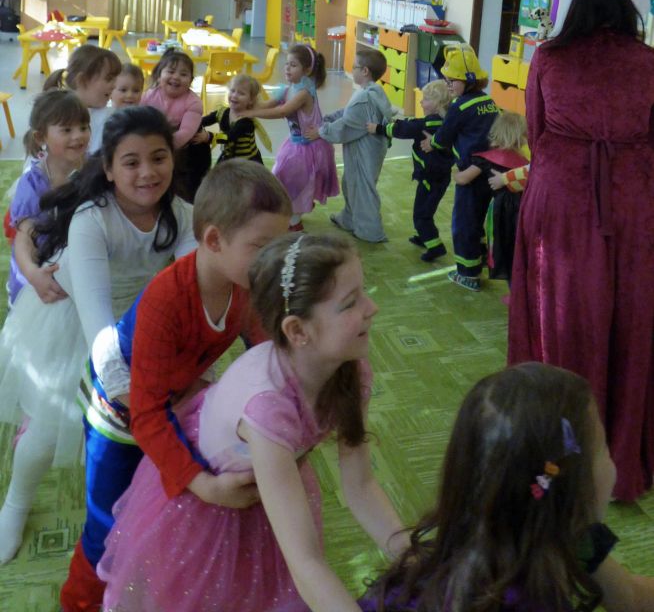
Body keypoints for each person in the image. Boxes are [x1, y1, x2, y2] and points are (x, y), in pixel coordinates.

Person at [98, 233, 407, 612]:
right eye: (350, 303)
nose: (372, 307)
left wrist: (415, 561)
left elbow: (360, 486)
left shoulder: (351, 370)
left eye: (363, 293)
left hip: (268, 482)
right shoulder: (267, 409)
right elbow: (306, 562)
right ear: (298, 331)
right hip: (204, 511)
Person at [60, 159, 291, 612]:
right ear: (214, 240)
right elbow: (146, 414)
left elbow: (267, 349)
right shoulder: (166, 299)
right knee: (105, 529)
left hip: (172, 402)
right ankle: (78, 604)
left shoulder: (245, 283)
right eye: (263, 247)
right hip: (117, 414)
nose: (275, 262)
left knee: (156, 520)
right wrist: (203, 485)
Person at [0, 106, 197, 565]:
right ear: (108, 169)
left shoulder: (182, 214)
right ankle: (14, 507)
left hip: (134, 322)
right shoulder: (92, 218)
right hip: (71, 320)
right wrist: (131, 392)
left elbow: (193, 283)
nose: (147, 172)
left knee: (136, 438)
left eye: (159, 157)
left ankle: (133, 513)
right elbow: (96, 319)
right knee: (49, 429)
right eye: (131, 162)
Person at [508, 0, 654, 503]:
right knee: (630, 314)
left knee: (562, 313)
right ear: (625, 1)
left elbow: (535, 130)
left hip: (561, 196)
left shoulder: (547, 57)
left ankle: (557, 457)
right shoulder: (649, 62)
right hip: (635, 196)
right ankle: (623, 454)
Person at [359, 362, 654, 612]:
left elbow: (632, 597)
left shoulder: (543, 532)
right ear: (571, 489)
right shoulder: (523, 599)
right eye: (603, 448)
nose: (612, 460)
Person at [420, 44, 499, 291]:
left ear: (469, 80)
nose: (449, 85)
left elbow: (444, 137)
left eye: (452, 81)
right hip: (490, 169)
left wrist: (431, 142)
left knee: (464, 222)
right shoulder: (488, 101)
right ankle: (481, 257)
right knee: (479, 218)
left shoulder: (459, 106)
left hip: (470, 173)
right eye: (447, 80)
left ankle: (468, 273)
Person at [240, 44, 339, 232]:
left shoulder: (304, 93)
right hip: (295, 144)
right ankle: (296, 210)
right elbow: (268, 104)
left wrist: (251, 113)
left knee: (296, 182)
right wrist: (247, 104)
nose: (287, 68)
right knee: (282, 177)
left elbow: (282, 111)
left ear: (307, 70)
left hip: (309, 148)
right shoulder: (289, 89)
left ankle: (295, 223)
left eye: (293, 65)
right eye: (286, 64)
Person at [8, 89, 90, 306]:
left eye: (84, 127)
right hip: (43, 269)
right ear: (40, 137)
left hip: (82, 264)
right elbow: (24, 237)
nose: (78, 135)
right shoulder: (34, 183)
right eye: (67, 129)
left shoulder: (94, 168)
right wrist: (32, 273)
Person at [306, 48, 393, 243]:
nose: (351, 70)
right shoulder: (370, 92)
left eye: (354, 67)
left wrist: (321, 131)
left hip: (365, 152)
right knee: (351, 183)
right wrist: (329, 118)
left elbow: (347, 125)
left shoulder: (365, 98)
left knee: (363, 188)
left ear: (365, 71)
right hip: (363, 150)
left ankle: (370, 231)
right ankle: (350, 218)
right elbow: (348, 113)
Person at [368, 79, 454, 261]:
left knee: (421, 214)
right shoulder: (447, 124)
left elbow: (403, 129)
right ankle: (423, 236)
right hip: (440, 176)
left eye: (426, 99)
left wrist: (378, 128)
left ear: (437, 103)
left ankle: (435, 246)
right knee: (426, 209)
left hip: (430, 178)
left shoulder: (427, 125)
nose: (421, 102)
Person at [453, 111, 528, 283]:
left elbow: (463, 179)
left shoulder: (488, 160)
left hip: (501, 211)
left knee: (502, 246)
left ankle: (508, 283)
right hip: (522, 210)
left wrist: (455, 173)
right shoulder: (524, 162)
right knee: (516, 249)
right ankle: (517, 287)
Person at [141, 48, 209, 201]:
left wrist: (161, 147)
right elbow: (137, 117)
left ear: (191, 80)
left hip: (186, 150)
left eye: (183, 74)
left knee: (184, 186)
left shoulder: (193, 102)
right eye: (171, 72)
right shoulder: (150, 95)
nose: (176, 77)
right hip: (155, 140)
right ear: (159, 75)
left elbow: (186, 132)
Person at [44, 43, 122, 153]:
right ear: (82, 80)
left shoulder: (109, 116)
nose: (114, 85)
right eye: (109, 79)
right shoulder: (55, 114)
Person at [193, 73, 265, 164]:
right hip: (228, 156)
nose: (234, 95)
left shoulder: (246, 121)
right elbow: (204, 120)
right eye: (232, 90)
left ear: (251, 100)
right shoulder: (223, 112)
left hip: (247, 161)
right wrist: (191, 124)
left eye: (241, 93)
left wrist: (208, 136)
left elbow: (228, 136)